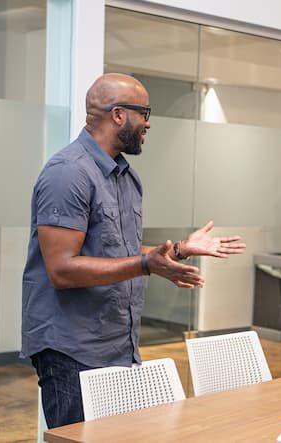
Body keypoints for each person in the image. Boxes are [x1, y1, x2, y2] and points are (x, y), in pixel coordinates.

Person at [21, 73, 246, 428]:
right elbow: (61, 269)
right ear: (118, 115)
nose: (149, 123)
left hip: (117, 344)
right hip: (72, 349)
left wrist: (179, 251)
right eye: (145, 112)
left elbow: (115, 249)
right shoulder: (68, 173)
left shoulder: (126, 176)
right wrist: (146, 264)